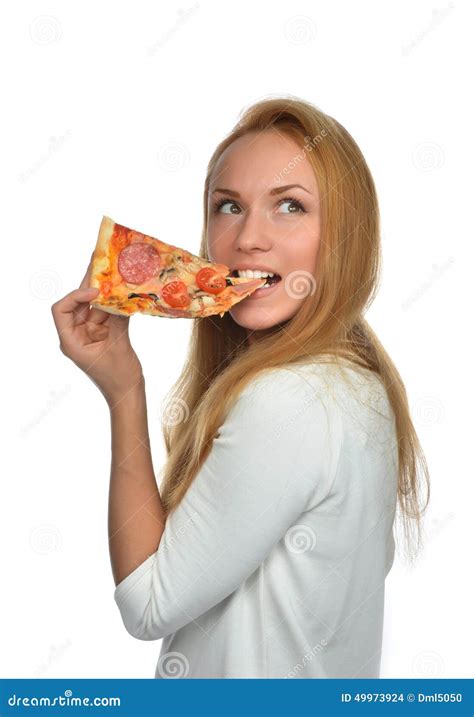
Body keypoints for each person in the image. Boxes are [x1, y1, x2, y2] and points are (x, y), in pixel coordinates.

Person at [51, 95, 430, 679]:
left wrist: (124, 393)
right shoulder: (358, 383)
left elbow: (147, 603)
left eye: (290, 207)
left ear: (347, 237)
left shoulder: (288, 397)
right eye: (228, 206)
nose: (248, 238)